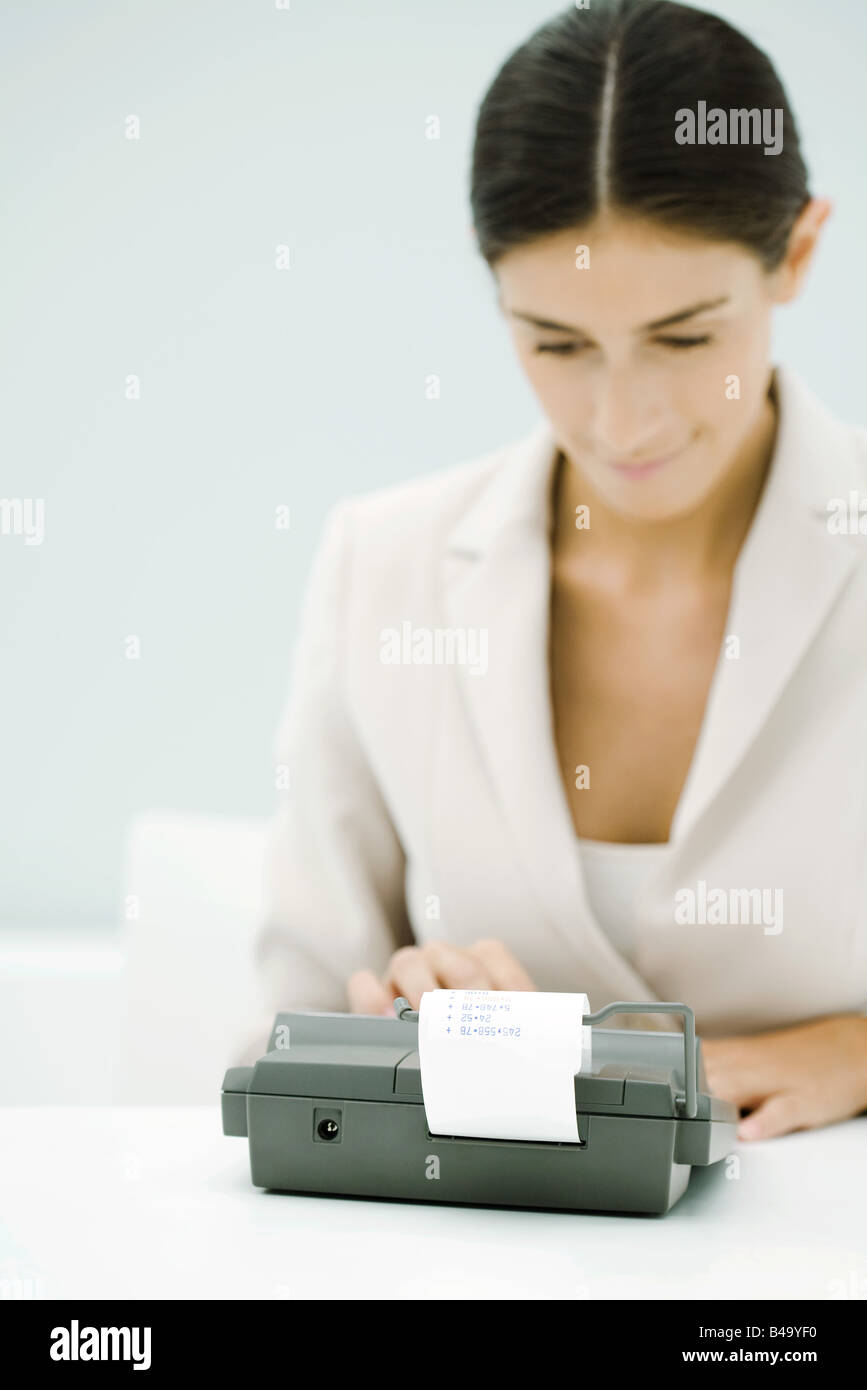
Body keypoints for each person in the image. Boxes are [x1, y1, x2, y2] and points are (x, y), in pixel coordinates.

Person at [238, 0, 867, 1140]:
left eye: (686, 339)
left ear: (800, 255)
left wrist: (860, 1050)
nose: (623, 419)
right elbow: (282, 1037)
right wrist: (398, 1030)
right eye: (557, 344)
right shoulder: (385, 566)